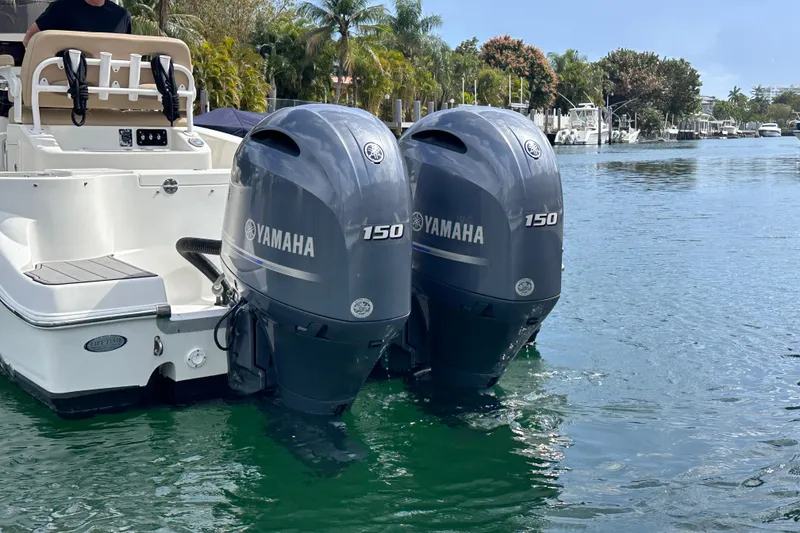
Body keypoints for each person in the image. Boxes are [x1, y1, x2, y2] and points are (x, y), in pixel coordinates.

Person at [22, 0, 133, 47]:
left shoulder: (122, 16)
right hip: (67, 83)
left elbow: (127, 53)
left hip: (109, 84)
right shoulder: (61, 7)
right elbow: (30, 39)